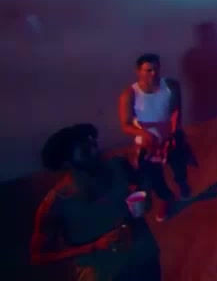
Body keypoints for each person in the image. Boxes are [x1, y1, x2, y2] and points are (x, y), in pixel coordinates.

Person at [30, 123, 162, 281]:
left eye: (94, 145)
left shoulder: (118, 166)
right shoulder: (57, 203)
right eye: (86, 151)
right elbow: (39, 256)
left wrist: (145, 199)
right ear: (66, 163)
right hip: (106, 273)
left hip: (144, 258)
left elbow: (143, 190)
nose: (96, 152)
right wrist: (94, 246)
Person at [118, 53, 192, 222]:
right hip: (147, 143)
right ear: (138, 71)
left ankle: (183, 185)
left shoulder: (171, 86)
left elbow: (176, 111)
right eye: (148, 70)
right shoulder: (129, 94)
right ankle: (167, 199)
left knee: (179, 164)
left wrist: (173, 131)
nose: (153, 74)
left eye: (156, 69)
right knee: (154, 178)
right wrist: (144, 134)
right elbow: (125, 125)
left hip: (170, 135)